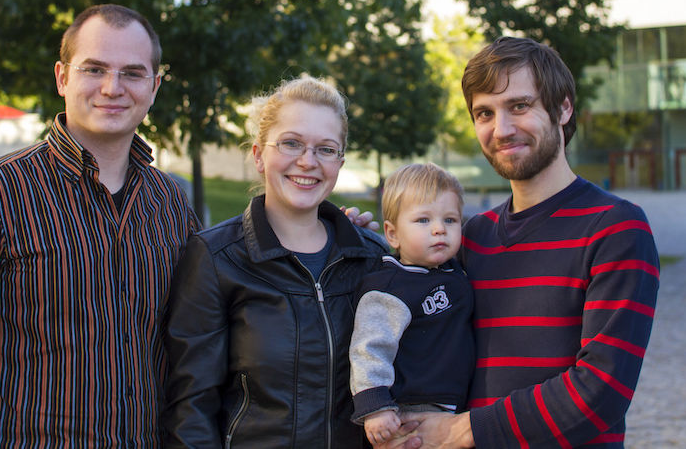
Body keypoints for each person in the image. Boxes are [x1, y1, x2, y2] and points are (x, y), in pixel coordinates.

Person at [0, 4, 200, 446]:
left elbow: (207, 337)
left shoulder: (170, 204)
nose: (112, 87)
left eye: (132, 72)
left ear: (155, 86)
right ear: (62, 77)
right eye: (94, 69)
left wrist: (333, 227)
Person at [374, 36, 660, 449]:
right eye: (484, 113)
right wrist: (353, 241)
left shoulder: (614, 229)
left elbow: (601, 391)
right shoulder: (471, 237)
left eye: (519, 106)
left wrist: (462, 431)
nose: (501, 129)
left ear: (563, 107)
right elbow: (410, 306)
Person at [162, 75, 388, 448]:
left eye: (326, 149)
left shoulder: (371, 258)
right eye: (291, 143)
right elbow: (191, 409)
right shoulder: (216, 259)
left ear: (340, 162)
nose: (307, 161)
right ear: (258, 155)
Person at [349, 163, 475, 446]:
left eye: (451, 220)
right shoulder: (390, 288)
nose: (439, 229)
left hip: (455, 406)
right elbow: (370, 348)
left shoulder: (455, 272)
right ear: (392, 234)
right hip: (408, 412)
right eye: (423, 220)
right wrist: (376, 406)